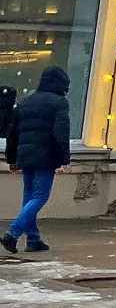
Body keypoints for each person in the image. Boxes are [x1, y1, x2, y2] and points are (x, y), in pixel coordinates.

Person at [3, 67, 70, 254]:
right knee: (40, 197)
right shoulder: (59, 103)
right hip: (45, 156)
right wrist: (64, 159)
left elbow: (12, 133)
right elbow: (61, 133)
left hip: (25, 156)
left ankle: (33, 239)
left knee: (29, 197)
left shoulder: (26, 101)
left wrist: (12, 159)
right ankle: (12, 233)